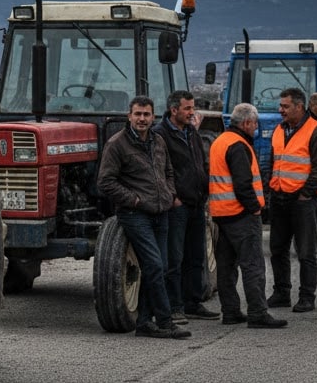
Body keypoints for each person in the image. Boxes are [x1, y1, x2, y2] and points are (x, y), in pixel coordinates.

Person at [97, 96, 191, 339]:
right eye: (137, 114)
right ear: (129, 116)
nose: (142, 119)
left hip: (161, 213)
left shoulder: (158, 141)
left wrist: (170, 193)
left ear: (153, 117)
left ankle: (144, 323)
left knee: (161, 266)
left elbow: (168, 171)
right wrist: (135, 200)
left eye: (146, 115)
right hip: (135, 214)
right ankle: (165, 321)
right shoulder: (117, 144)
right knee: (154, 265)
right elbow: (106, 182)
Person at [208, 104, 287, 329]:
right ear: (246, 123)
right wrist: (255, 208)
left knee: (226, 267)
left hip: (222, 214)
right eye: (254, 124)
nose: (256, 128)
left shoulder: (220, 141)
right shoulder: (238, 145)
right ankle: (258, 313)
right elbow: (243, 184)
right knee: (253, 266)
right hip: (241, 214)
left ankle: (231, 311)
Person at [153, 90, 218, 323]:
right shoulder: (159, 135)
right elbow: (159, 170)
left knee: (195, 256)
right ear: (174, 110)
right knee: (175, 258)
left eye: (192, 108)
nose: (192, 113)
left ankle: (193, 302)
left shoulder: (191, 132)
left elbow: (199, 163)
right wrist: (173, 197)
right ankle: (174, 306)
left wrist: (204, 193)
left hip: (196, 202)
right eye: (188, 108)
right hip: (177, 205)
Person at [267, 88, 317, 313]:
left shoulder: (316, 131)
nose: (280, 110)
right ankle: (282, 292)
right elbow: (274, 162)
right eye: (281, 106)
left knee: (306, 251)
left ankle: (306, 296)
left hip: (303, 201)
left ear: (299, 107)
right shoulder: (279, 130)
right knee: (277, 249)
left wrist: (306, 194)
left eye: (285, 106)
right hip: (280, 198)